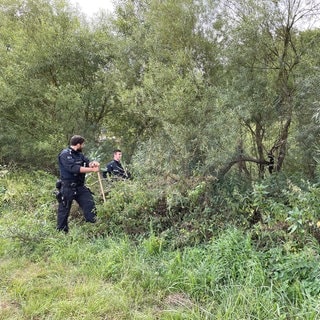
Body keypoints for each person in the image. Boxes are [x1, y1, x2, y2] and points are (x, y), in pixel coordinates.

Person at [56, 135, 100, 233]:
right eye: (82, 144)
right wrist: (92, 170)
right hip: (67, 187)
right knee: (64, 211)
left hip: (80, 187)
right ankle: (61, 233)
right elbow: (74, 168)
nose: (83, 146)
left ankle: (93, 229)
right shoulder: (65, 154)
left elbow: (87, 162)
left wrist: (93, 164)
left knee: (90, 205)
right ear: (78, 144)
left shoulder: (80, 155)